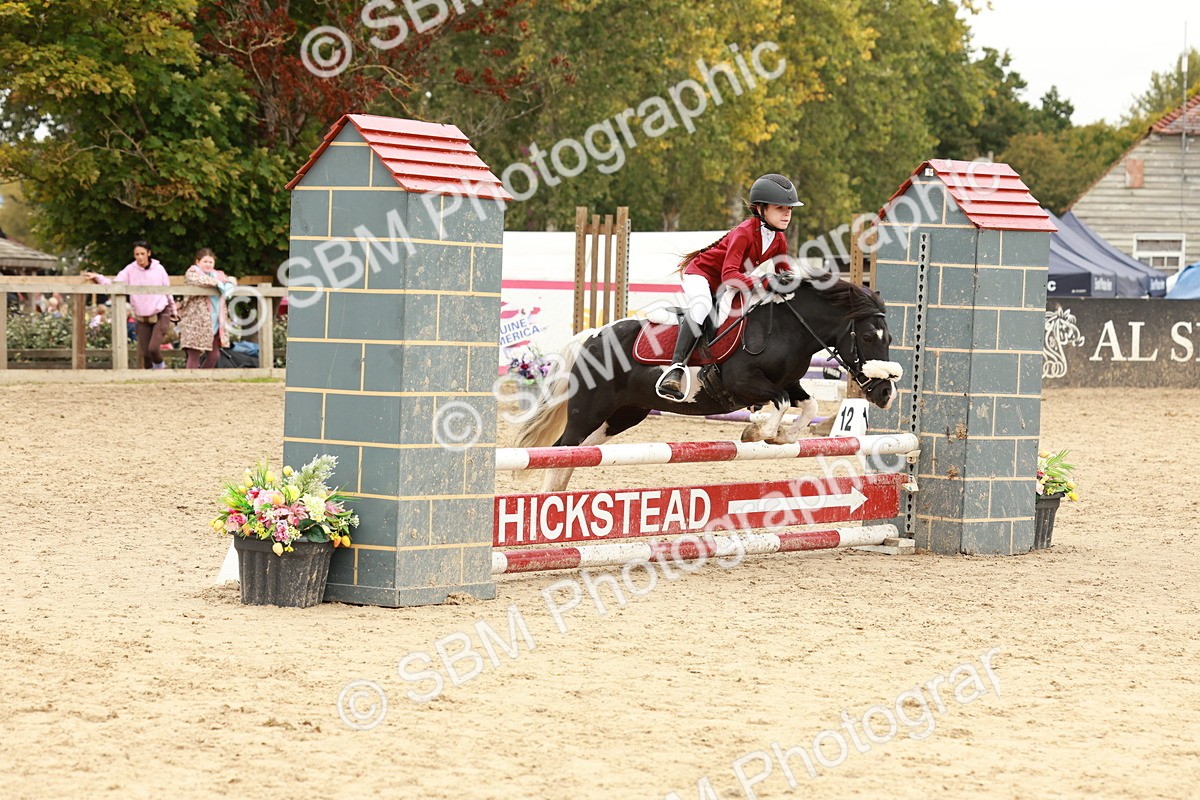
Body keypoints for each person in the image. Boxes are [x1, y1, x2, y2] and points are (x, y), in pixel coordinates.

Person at [655, 173, 804, 401]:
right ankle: (675, 369)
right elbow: (729, 275)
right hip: (703, 275)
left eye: (789, 209)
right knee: (702, 306)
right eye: (780, 208)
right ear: (760, 208)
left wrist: (797, 283)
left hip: (732, 282)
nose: (787, 214)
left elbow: (783, 272)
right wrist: (765, 281)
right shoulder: (744, 232)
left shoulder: (779, 239)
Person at [83, 241, 176, 369]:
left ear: (149, 254)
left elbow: (167, 290)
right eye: (137, 254)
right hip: (142, 314)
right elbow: (115, 283)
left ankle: (161, 370)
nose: (139, 257)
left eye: (142, 254)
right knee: (146, 353)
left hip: (160, 311)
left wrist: (173, 310)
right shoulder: (130, 269)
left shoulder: (159, 269)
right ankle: (150, 379)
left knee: (153, 348)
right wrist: (98, 277)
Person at [177, 248, 237, 369]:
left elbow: (231, 280)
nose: (208, 264)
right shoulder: (192, 273)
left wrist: (229, 282)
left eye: (210, 262)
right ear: (198, 262)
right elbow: (201, 281)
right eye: (205, 261)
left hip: (215, 321)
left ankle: (203, 378)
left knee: (214, 355)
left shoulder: (218, 274)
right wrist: (220, 283)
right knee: (194, 354)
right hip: (196, 321)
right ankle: (191, 380)